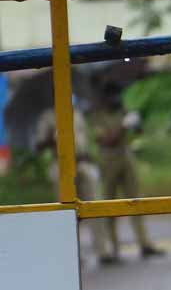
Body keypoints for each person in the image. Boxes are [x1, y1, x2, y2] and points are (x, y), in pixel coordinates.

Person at [34, 105, 113, 263]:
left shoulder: (78, 112)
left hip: (83, 162)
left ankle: (104, 251)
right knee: (67, 212)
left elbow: (86, 139)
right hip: (63, 166)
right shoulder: (48, 116)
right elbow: (39, 146)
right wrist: (51, 138)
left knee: (95, 207)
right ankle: (75, 255)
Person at [91, 92, 164, 259]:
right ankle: (113, 247)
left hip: (126, 156)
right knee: (110, 204)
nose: (115, 99)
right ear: (104, 98)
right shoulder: (97, 117)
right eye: (112, 95)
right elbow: (107, 140)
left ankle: (144, 243)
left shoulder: (122, 111)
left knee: (136, 200)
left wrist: (135, 120)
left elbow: (139, 131)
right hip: (108, 159)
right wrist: (123, 126)